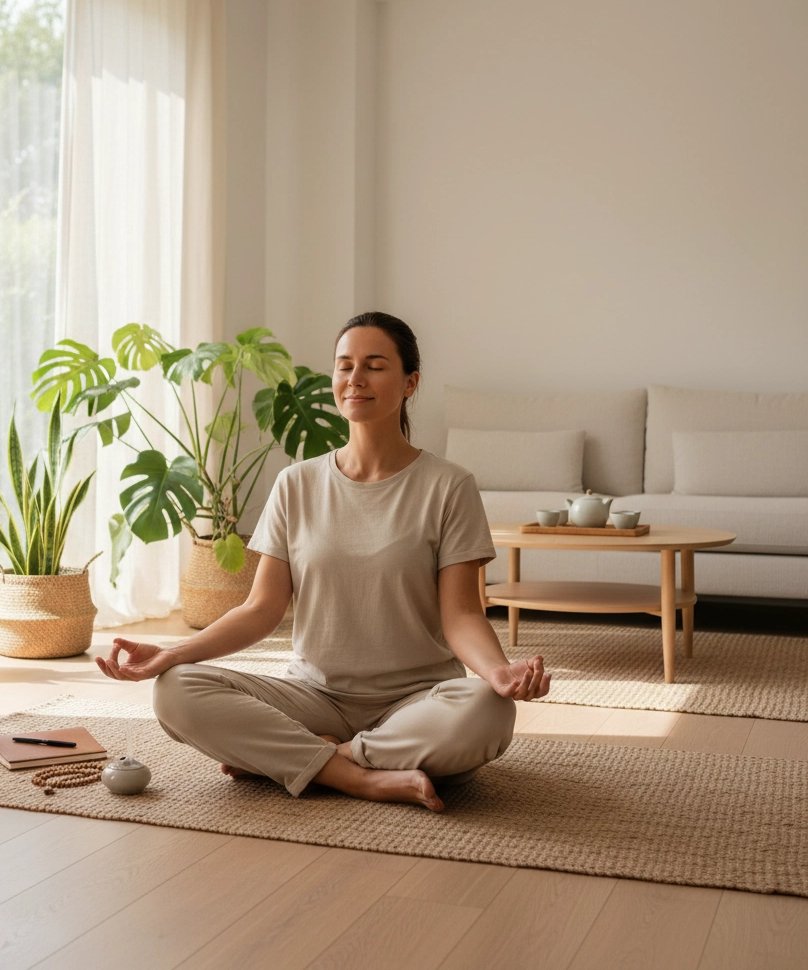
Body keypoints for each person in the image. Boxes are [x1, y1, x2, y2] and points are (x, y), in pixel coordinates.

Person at [96, 311, 551, 812]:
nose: (355, 379)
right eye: (344, 366)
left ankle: (309, 758)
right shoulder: (296, 483)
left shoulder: (449, 486)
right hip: (313, 699)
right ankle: (362, 776)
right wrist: (171, 654)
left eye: (374, 366)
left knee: (488, 709)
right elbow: (260, 609)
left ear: (409, 383)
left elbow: (461, 615)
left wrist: (498, 672)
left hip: (419, 700)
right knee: (176, 691)